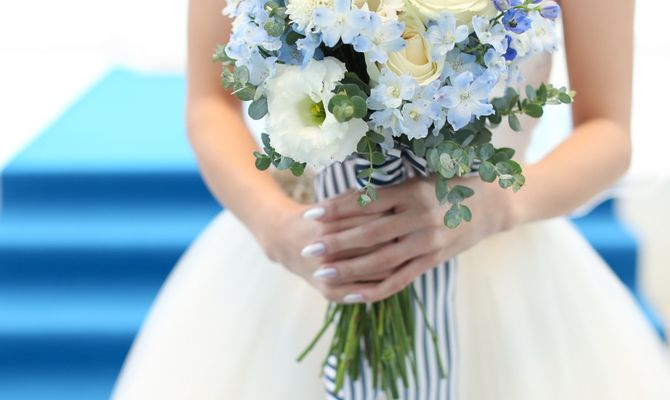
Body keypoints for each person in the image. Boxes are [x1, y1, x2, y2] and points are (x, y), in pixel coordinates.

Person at [112, 0, 670, 399]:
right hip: (309, 251)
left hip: (499, 268)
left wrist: (496, 205)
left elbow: (609, 130)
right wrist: (273, 223)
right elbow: (209, 101)